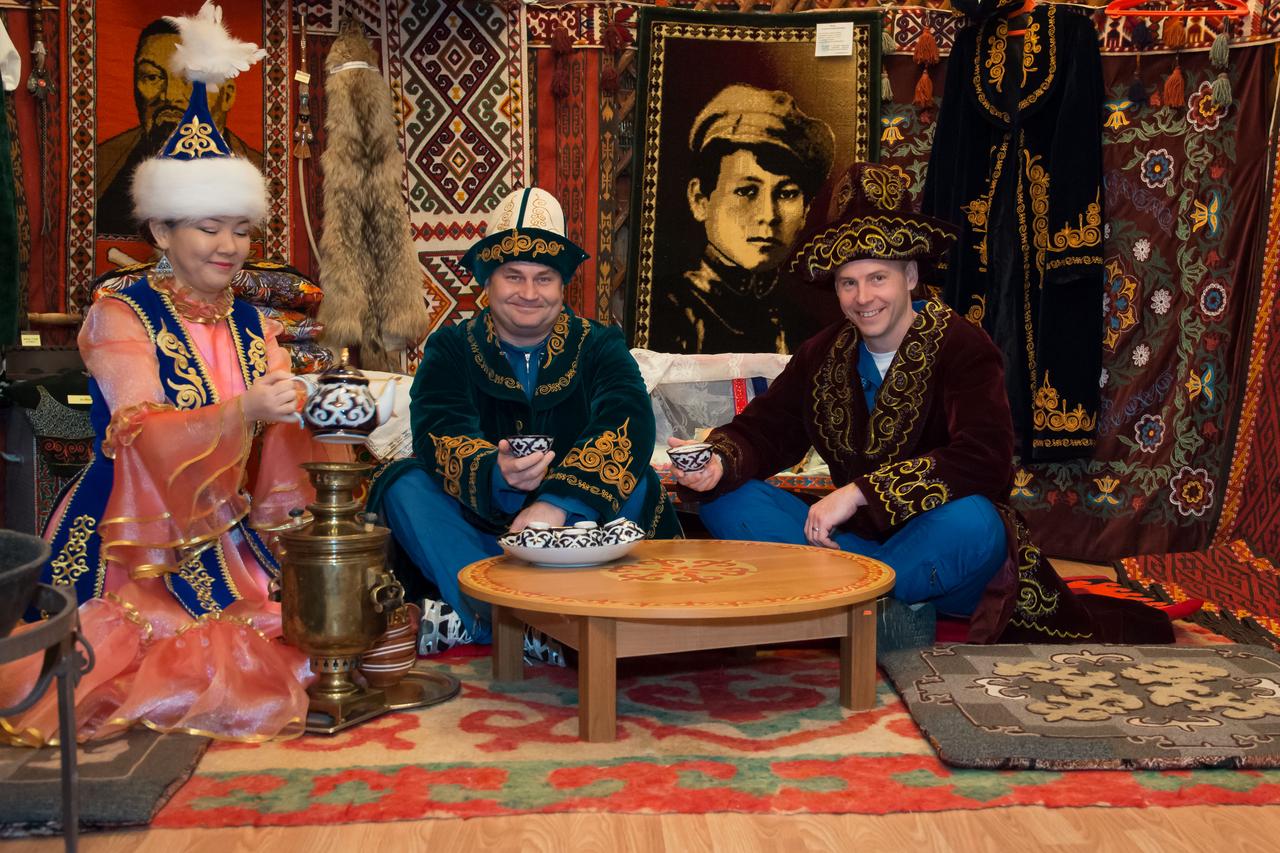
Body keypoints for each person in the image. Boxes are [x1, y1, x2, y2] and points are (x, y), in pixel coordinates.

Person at [1, 2, 344, 746]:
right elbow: (140, 430)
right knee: (173, 659)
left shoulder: (257, 321)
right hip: (135, 535)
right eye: (208, 225)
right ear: (160, 229)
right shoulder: (119, 309)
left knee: (329, 635)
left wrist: (306, 409)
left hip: (236, 524)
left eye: (242, 227)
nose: (229, 245)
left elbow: (284, 442)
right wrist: (245, 410)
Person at [670, 162, 1172, 644]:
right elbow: (765, 429)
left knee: (977, 521)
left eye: (878, 278)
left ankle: (842, 600)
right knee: (726, 498)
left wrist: (859, 493)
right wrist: (718, 461)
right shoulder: (821, 354)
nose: (863, 297)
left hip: (944, 551)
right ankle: (877, 605)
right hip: (853, 546)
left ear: (910, 276)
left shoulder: (963, 346)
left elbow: (985, 461)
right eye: (849, 282)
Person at [369, 187, 681, 654]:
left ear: (562, 287)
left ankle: (482, 621)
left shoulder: (599, 345)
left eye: (544, 278)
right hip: (481, 525)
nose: (529, 293)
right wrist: (497, 473)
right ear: (489, 282)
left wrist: (558, 502)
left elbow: (627, 420)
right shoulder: (452, 347)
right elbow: (439, 429)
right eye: (513, 276)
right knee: (403, 483)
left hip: (579, 526)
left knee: (635, 483)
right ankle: (523, 624)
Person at [645, 84, 836, 355]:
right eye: (746, 191)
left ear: (805, 211)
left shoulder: (805, 332)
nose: (769, 216)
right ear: (700, 200)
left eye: (787, 194)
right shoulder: (664, 315)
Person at [96, 16, 264, 236]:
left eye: (189, 80)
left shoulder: (257, 172)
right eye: (152, 76)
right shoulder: (103, 166)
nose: (169, 96)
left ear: (227, 95)